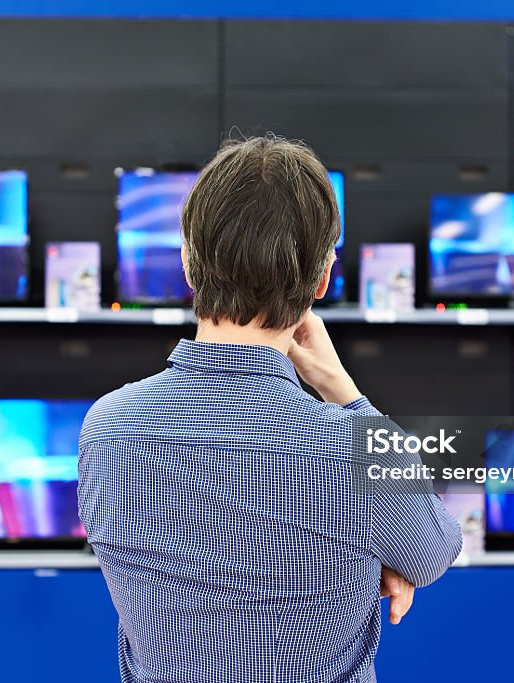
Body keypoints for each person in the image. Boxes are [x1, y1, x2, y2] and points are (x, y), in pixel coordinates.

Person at [78, 135, 462, 683]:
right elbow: (433, 547)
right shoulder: (344, 446)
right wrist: (347, 397)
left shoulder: (110, 427)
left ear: (188, 263)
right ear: (323, 278)